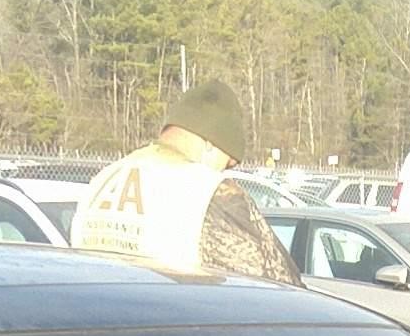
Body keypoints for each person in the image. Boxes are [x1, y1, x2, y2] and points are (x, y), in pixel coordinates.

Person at [71, 81, 299, 284]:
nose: (228, 168)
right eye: (228, 162)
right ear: (210, 143)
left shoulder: (103, 180)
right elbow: (281, 286)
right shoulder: (205, 191)